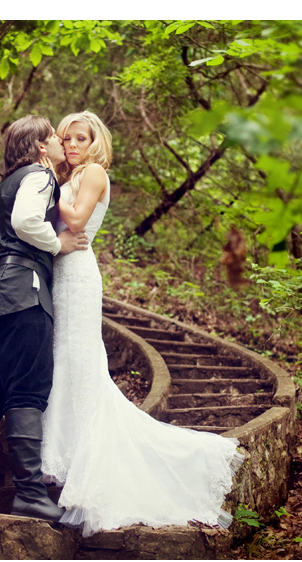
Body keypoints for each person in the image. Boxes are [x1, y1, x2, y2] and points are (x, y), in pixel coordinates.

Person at [40, 111, 245, 537]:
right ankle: (62, 459)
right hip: (59, 273)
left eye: (81, 137)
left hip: (77, 274)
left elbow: (75, 222)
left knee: (77, 363)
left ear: (95, 142)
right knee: (64, 362)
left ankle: (76, 464)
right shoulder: (70, 175)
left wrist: (51, 186)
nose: (74, 144)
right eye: (68, 138)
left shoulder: (93, 172)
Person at [0, 115, 89, 522]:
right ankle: (28, 492)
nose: (63, 143)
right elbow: (27, 222)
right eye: (55, 139)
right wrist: (57, 244)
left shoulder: (1, 189)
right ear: (42, 148)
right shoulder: (41, 177)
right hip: (23, 294)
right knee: (28, 391)